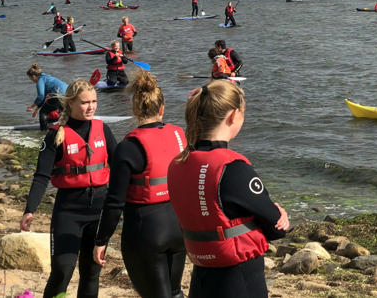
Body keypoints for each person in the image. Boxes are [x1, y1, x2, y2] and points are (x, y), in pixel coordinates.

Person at [167, 80, 289, 297]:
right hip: (238, 279)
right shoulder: (233, 168)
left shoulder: (178, 164)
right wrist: (279, 215)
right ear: (234, 116)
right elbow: (277, 228)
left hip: (201, 276)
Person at [20, 79, 118, 298]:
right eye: (85, 102)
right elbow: (41, 176)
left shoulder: (103, 130)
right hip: (69, 211)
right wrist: (30, 209)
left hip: (99, 211)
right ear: (71, 103)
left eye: (94, 101)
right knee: (62, 272)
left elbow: (121, 168)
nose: (91, 106)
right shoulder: (56, 135)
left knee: (92, 273)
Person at [94, 71, 187, 298]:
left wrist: (101, 240)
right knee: (175, 293)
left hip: (145, 230)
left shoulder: (128, 147)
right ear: (162, 109)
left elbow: (115, 202)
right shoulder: (179, 136)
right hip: (179, 228)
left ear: (134, 110)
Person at [26, 63, 69, 130]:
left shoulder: (40, 81)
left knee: (43, 112)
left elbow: (41, 96)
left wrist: (32, 106)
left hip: (59, 96)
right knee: (62, 111)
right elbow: (43, 97)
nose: (31, 80)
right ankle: (65, 128)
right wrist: (36, 109)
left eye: (30, 78)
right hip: (67, 95)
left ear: (33, 76)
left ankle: (43, 131)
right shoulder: (47, 78)